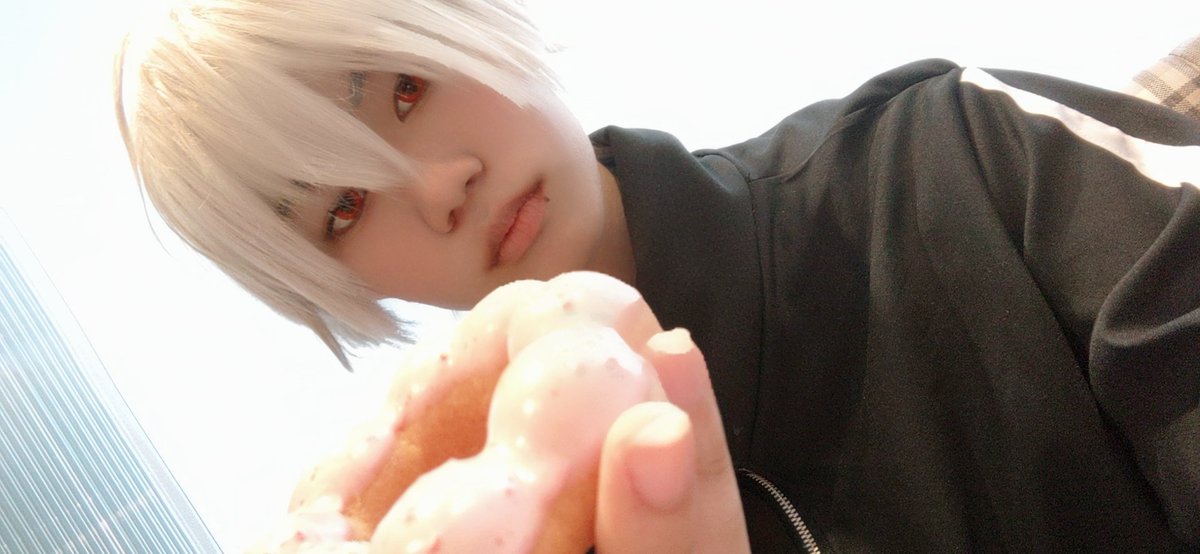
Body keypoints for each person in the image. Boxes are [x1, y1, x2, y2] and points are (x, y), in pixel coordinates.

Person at [116, 0, 1200, 551]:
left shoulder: (946, 155)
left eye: (404, 87)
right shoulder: (513, 530)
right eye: (344, 209)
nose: (437, 186)